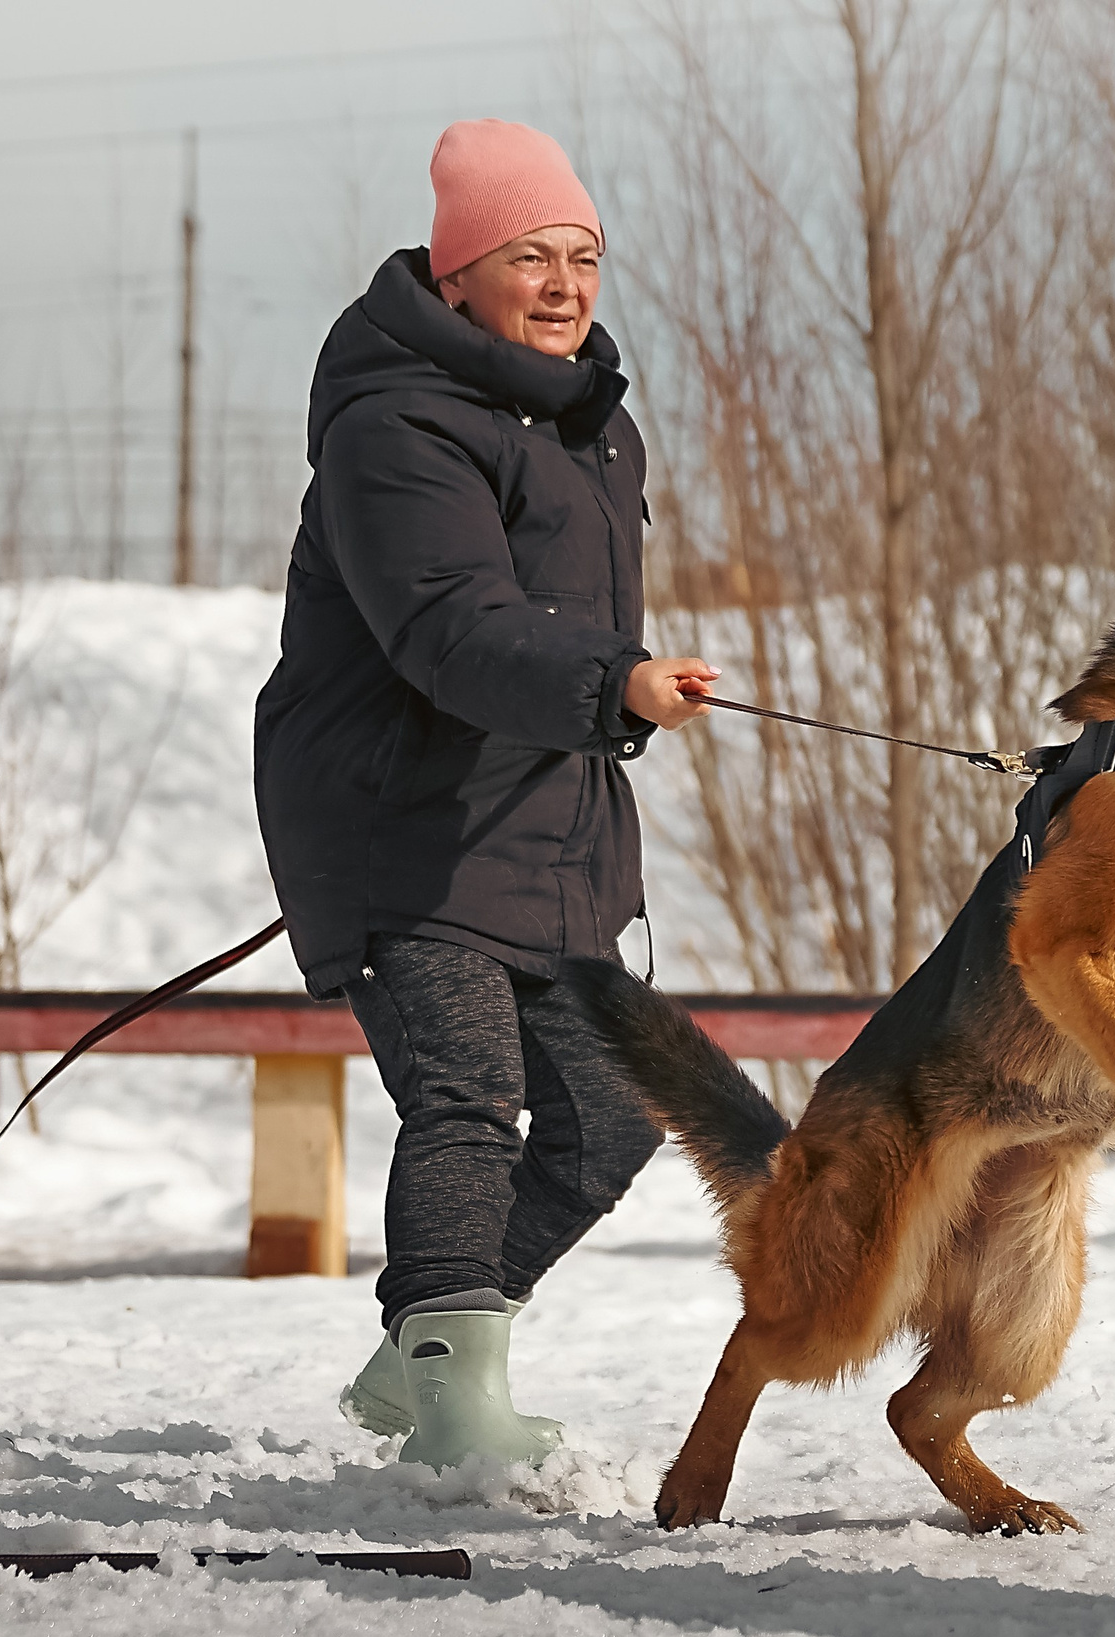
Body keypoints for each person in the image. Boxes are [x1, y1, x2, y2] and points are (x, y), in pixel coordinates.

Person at [253, 119, 717, 1469]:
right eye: (533, 256)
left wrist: (605, 695)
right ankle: (457, 1404)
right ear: (459, 276)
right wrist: (616, 685)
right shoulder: (395, 426)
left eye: (585, 256)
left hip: (540, 826)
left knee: (618, 1110)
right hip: (406, 821)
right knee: (465, 1093)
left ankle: (421, 1354)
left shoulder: (596, 428)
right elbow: (450, 628)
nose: (568, 284)